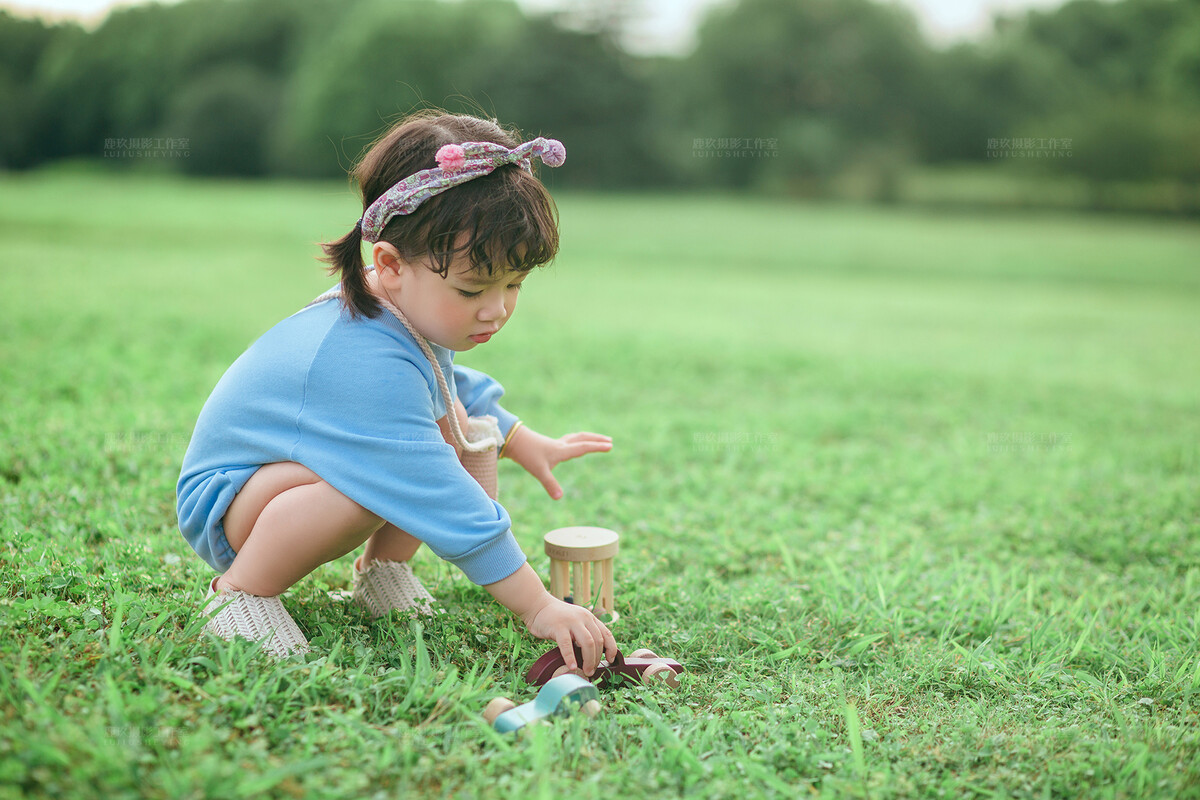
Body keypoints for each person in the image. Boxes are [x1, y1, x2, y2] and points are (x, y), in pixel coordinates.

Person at [176, 110, 617, 672]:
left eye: (515, 284)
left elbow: (447, 387)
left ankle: (382, 574)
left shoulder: (404, 311)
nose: (496, 308)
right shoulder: (361, 355)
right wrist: (538, 606)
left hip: (282, 481)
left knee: (431, 439)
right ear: (388, 263)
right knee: (385, 477)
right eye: (472, 287)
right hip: (230, 503)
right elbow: (435, 486)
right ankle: (240, 593)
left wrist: (521, 438)